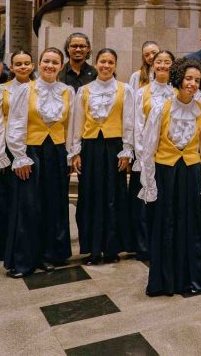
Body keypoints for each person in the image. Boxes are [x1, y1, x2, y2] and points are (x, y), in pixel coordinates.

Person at [138, 58, 201, 296]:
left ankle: (190, 279)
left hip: (191, 173)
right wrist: (149, 184)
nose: (192, 83)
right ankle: (164, 281)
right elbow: (148, 147)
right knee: (165, 225)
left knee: (190, 226)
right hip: (165, 172)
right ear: (178, 79)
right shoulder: (160, 108)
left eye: (197, 80)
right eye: (188, 78)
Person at [4, 48, 74, 278]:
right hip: (31, 150)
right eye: (46, 61)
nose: (50, 66)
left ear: (61, 66)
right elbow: (14, 123)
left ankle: (48, 255)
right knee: (29, 205)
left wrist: (71, 153)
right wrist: (20, 156)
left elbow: (71, 125)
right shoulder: (26, 90)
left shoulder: (67, 91)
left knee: (53, 205)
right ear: (38, 64)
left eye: (55, 62)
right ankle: (24, 260)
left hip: (56, 151)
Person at [68, 48, 137, 265]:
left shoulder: (124, 90)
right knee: (90, 197)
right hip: (90, 148)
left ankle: (111, 248)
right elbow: (77, 122)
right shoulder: (85, 91)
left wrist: (127, 149)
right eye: (102, 61)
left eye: (110, 62)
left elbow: (129, 120)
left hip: (114, 146)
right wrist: (76, 151)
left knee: (114, 196)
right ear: (96, 64)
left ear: (115, 65)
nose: (106, 66)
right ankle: (92, 249)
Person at [0, 51, 33, 262]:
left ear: (32, 66)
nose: (22, 67)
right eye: (18, 64)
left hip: (29, 148)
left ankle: (24, 243)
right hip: (5, 149)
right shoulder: (2, 90)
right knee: (3, 199)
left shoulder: (39, 89)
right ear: (10, 67)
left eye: (26, 63)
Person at [128, 50, 175, 260]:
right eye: (159, 62)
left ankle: (166, 241)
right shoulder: (142, 92)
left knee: (167, 200)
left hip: (169, 153)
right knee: (146, 201)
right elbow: (137, 124)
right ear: (152, 65)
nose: (163, 65)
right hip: (146, 153)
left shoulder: (176, 91)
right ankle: (144, 245)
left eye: (167, 62)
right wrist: (141, 154)